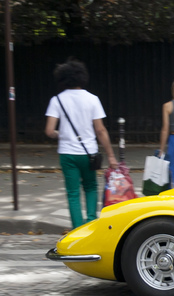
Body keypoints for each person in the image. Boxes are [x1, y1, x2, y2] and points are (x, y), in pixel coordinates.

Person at [44, 58, 118, 229]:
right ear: (82, 77)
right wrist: (111, 156)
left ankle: (77, 229)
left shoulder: (57, 100)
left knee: (73, 193)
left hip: (67, 153)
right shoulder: (92, 99)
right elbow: (100, 130)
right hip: (89, 153)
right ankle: (91, 223)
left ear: (63, 78)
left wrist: (59, 134)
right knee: (91, 187)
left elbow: (49, 131)